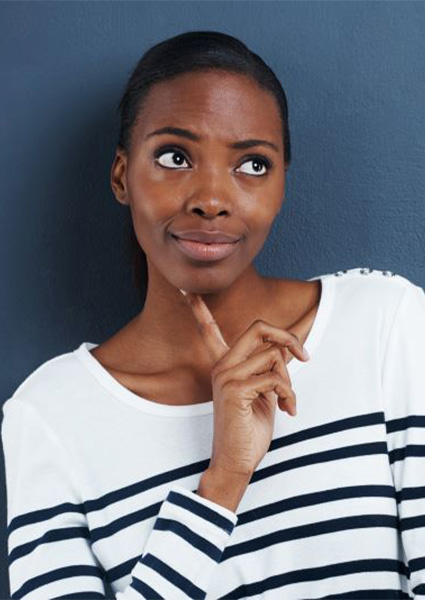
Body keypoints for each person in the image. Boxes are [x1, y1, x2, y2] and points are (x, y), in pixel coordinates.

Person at [2, 30, 424, 600]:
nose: (212, 198)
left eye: (252, 165)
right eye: (175, 157)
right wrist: (222, 483)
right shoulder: (50, 417)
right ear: (122, 176)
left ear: (280, 186)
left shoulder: (386, 328)